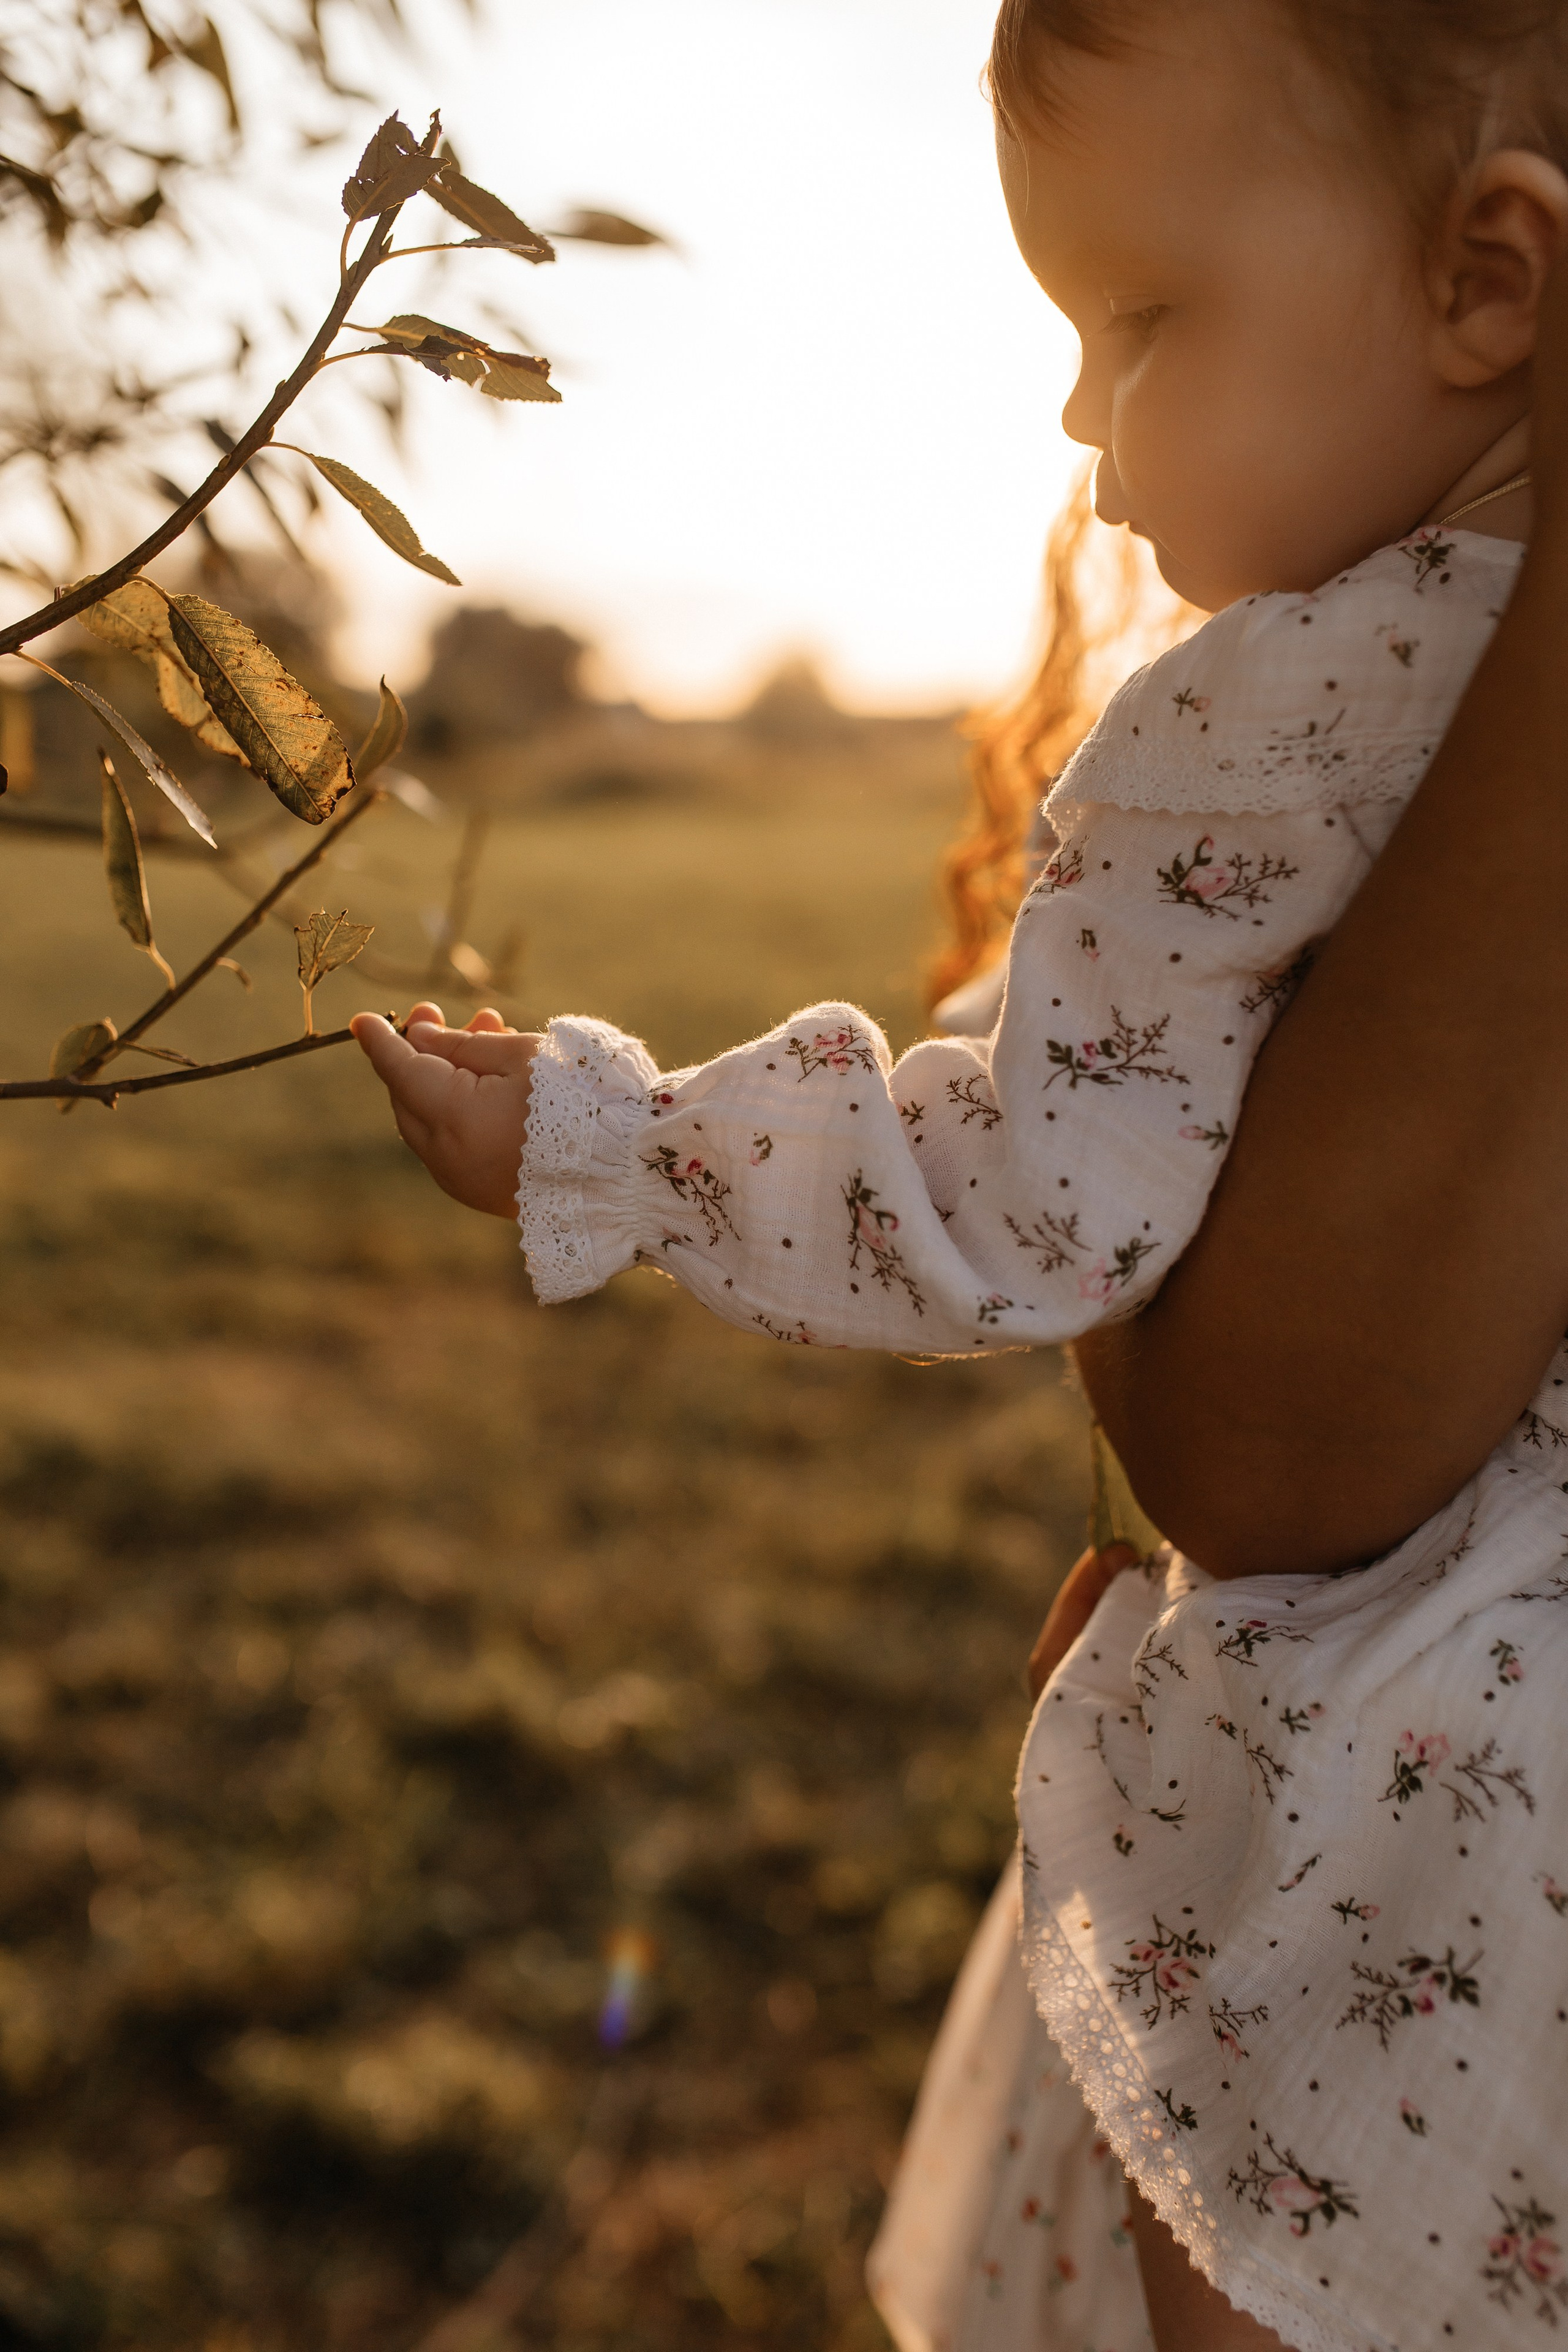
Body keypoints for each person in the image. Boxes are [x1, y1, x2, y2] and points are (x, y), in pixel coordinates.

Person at [351, 2, 1568, 2343]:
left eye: (1142, 319)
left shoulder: (1267, 726)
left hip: (1439, 1780)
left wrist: (615, 1139)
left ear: (1487, 282)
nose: (1084, 418)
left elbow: (1028, 1182)